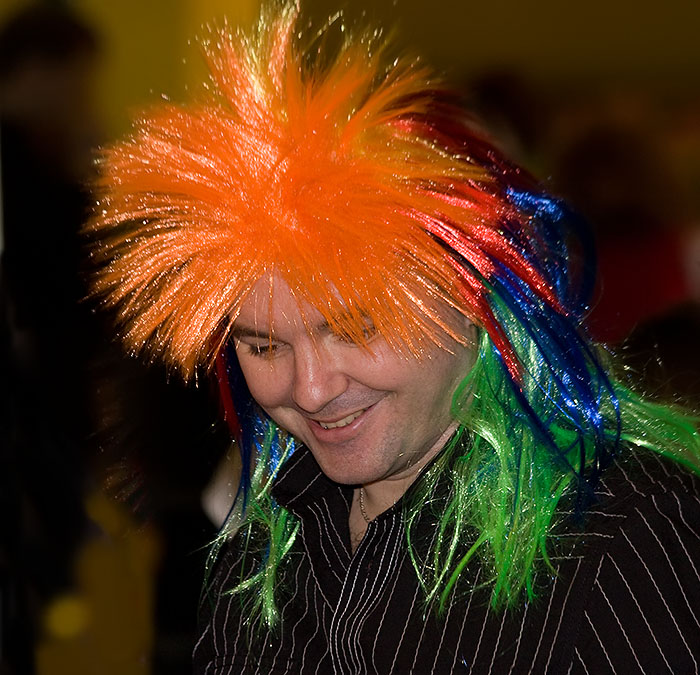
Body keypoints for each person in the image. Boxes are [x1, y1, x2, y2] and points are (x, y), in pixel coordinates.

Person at [87, 4, 700, 673]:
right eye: (263, 346)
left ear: (472, 300)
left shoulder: (626, 529)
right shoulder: (262, 549)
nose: (310, 390)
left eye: (356, 328)